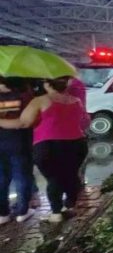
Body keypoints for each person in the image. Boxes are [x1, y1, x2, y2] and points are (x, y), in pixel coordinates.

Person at [0, 77, 89, 223]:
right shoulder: (76, 100)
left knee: (53, 179)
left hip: (48, 145)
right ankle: (70, 205)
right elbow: (85, 120)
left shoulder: (40, 101)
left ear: (47, 84)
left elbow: (24, 122)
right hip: (77, 143)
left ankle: (56, 212)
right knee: (71, 175)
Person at [0, 76, 34, 224]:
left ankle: (3, 214)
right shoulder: (24, 96)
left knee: (1, 178)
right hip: (19, 142)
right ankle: (22, 211)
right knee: (22, 176)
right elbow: (24, 122)